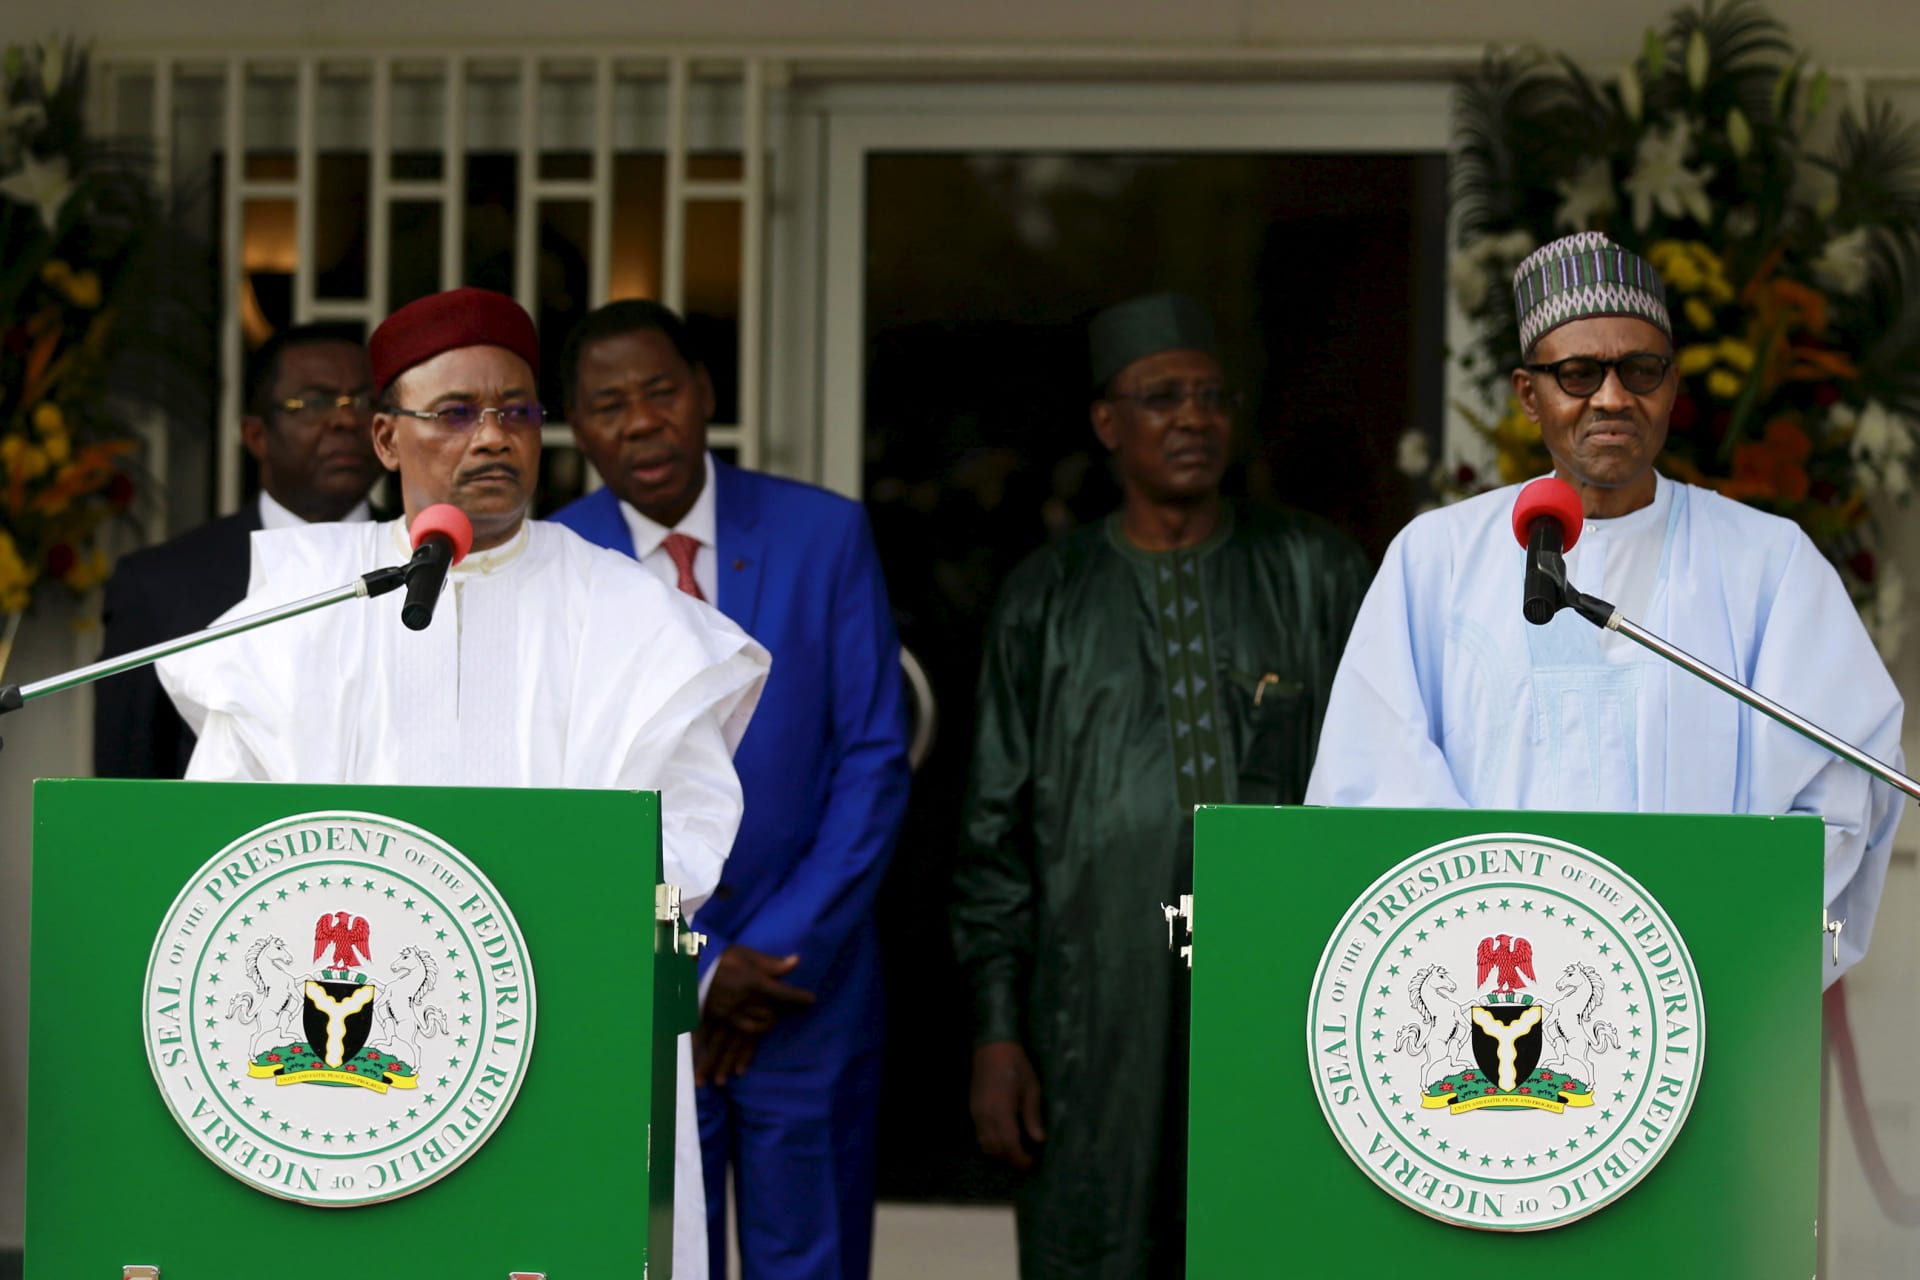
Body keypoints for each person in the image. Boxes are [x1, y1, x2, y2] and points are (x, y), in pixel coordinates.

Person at [155, 288, 769, 1280]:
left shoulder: (628, 612)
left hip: (563, 1044)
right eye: (456, 413)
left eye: (517, 411)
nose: (493, 438)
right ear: (387, 436)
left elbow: (685, 843)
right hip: (341, 1071)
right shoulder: (300, 601)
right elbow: (227, 835)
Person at [1305, 230, 1904, 982]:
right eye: (1579, 373)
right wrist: (1494, 938)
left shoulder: (1768, 562)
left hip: (1702, 983)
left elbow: (1840, 781)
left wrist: (1710, 944)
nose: (1613, 397)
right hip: (1484, 991)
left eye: (1640, 370)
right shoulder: (1436, 559)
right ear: (1530, 394)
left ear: (1673, 385)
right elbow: (1371, 785)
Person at [951, 292, 1372, 1278]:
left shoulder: (1318, 569)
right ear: (1108, 422)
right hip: (1088, 1007)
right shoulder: (1044, 598)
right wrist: (999, 1029)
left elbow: (1380, 798)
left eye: (1211, 395)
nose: (1192, 417)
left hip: (1289, 991)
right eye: (1161, 397)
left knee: (1275, 1241)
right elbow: (993, 828)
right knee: (1096, 1241)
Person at [551, 299, 911, 1280]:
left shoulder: (823, 532)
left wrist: (773, 949)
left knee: (815, 1254)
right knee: (653, 1255)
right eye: (608, 403)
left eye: (660, 390)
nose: (639, 421)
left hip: (805, 982)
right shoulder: (554, 561)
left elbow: (873, 755)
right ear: (577, 426)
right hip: (633, 985)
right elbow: (555, 798)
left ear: (705, 392)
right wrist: (698, 968)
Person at [94, 323, 381, 778]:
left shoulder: (431, 563)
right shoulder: (158, 585)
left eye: (363, 401)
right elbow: (128, 785)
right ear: (255, 434)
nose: (345, 420)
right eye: (314, 403)